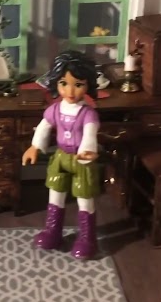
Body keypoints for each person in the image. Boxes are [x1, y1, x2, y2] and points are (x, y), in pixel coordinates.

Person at [22, 50, 103, 260]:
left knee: (84, 198)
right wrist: (35, 147)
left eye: (78, 84)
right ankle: (53, 231)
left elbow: (90, 134)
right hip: (60, 157)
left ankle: (87, 239)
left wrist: (87, 151)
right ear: (55, 84)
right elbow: (43, 127)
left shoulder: (88, 113)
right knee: (55, 193)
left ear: (88, 85)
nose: (70, 91)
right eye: (63, 83)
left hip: (81, 160)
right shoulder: (55, 109)